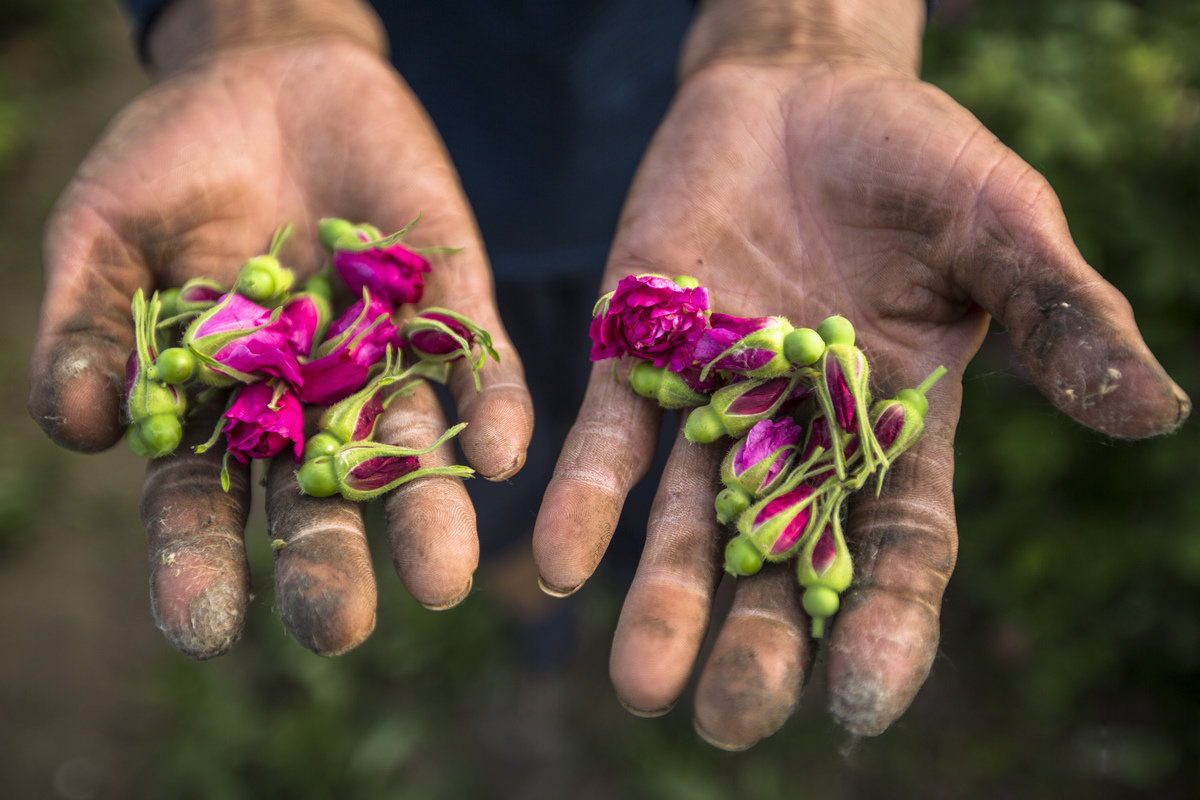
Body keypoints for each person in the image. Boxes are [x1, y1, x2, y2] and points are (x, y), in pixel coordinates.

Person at [27, 0, 1190, 751]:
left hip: (715, 185)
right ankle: (535, 616)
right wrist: (250, 24)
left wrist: (812, 31)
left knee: (627, 471)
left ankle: (568, 603)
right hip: (396, 130)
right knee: (491, 467)